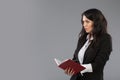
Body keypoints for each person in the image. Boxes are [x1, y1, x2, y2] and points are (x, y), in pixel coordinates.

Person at [64, 8, 112, 80]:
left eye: (87, 21)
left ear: (96, 22)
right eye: (83, 22)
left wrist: (80, 68)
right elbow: (75, 59)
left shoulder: (105, 39)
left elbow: (99, 64)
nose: (84, 25)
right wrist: (71, 69)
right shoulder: (82, 38)